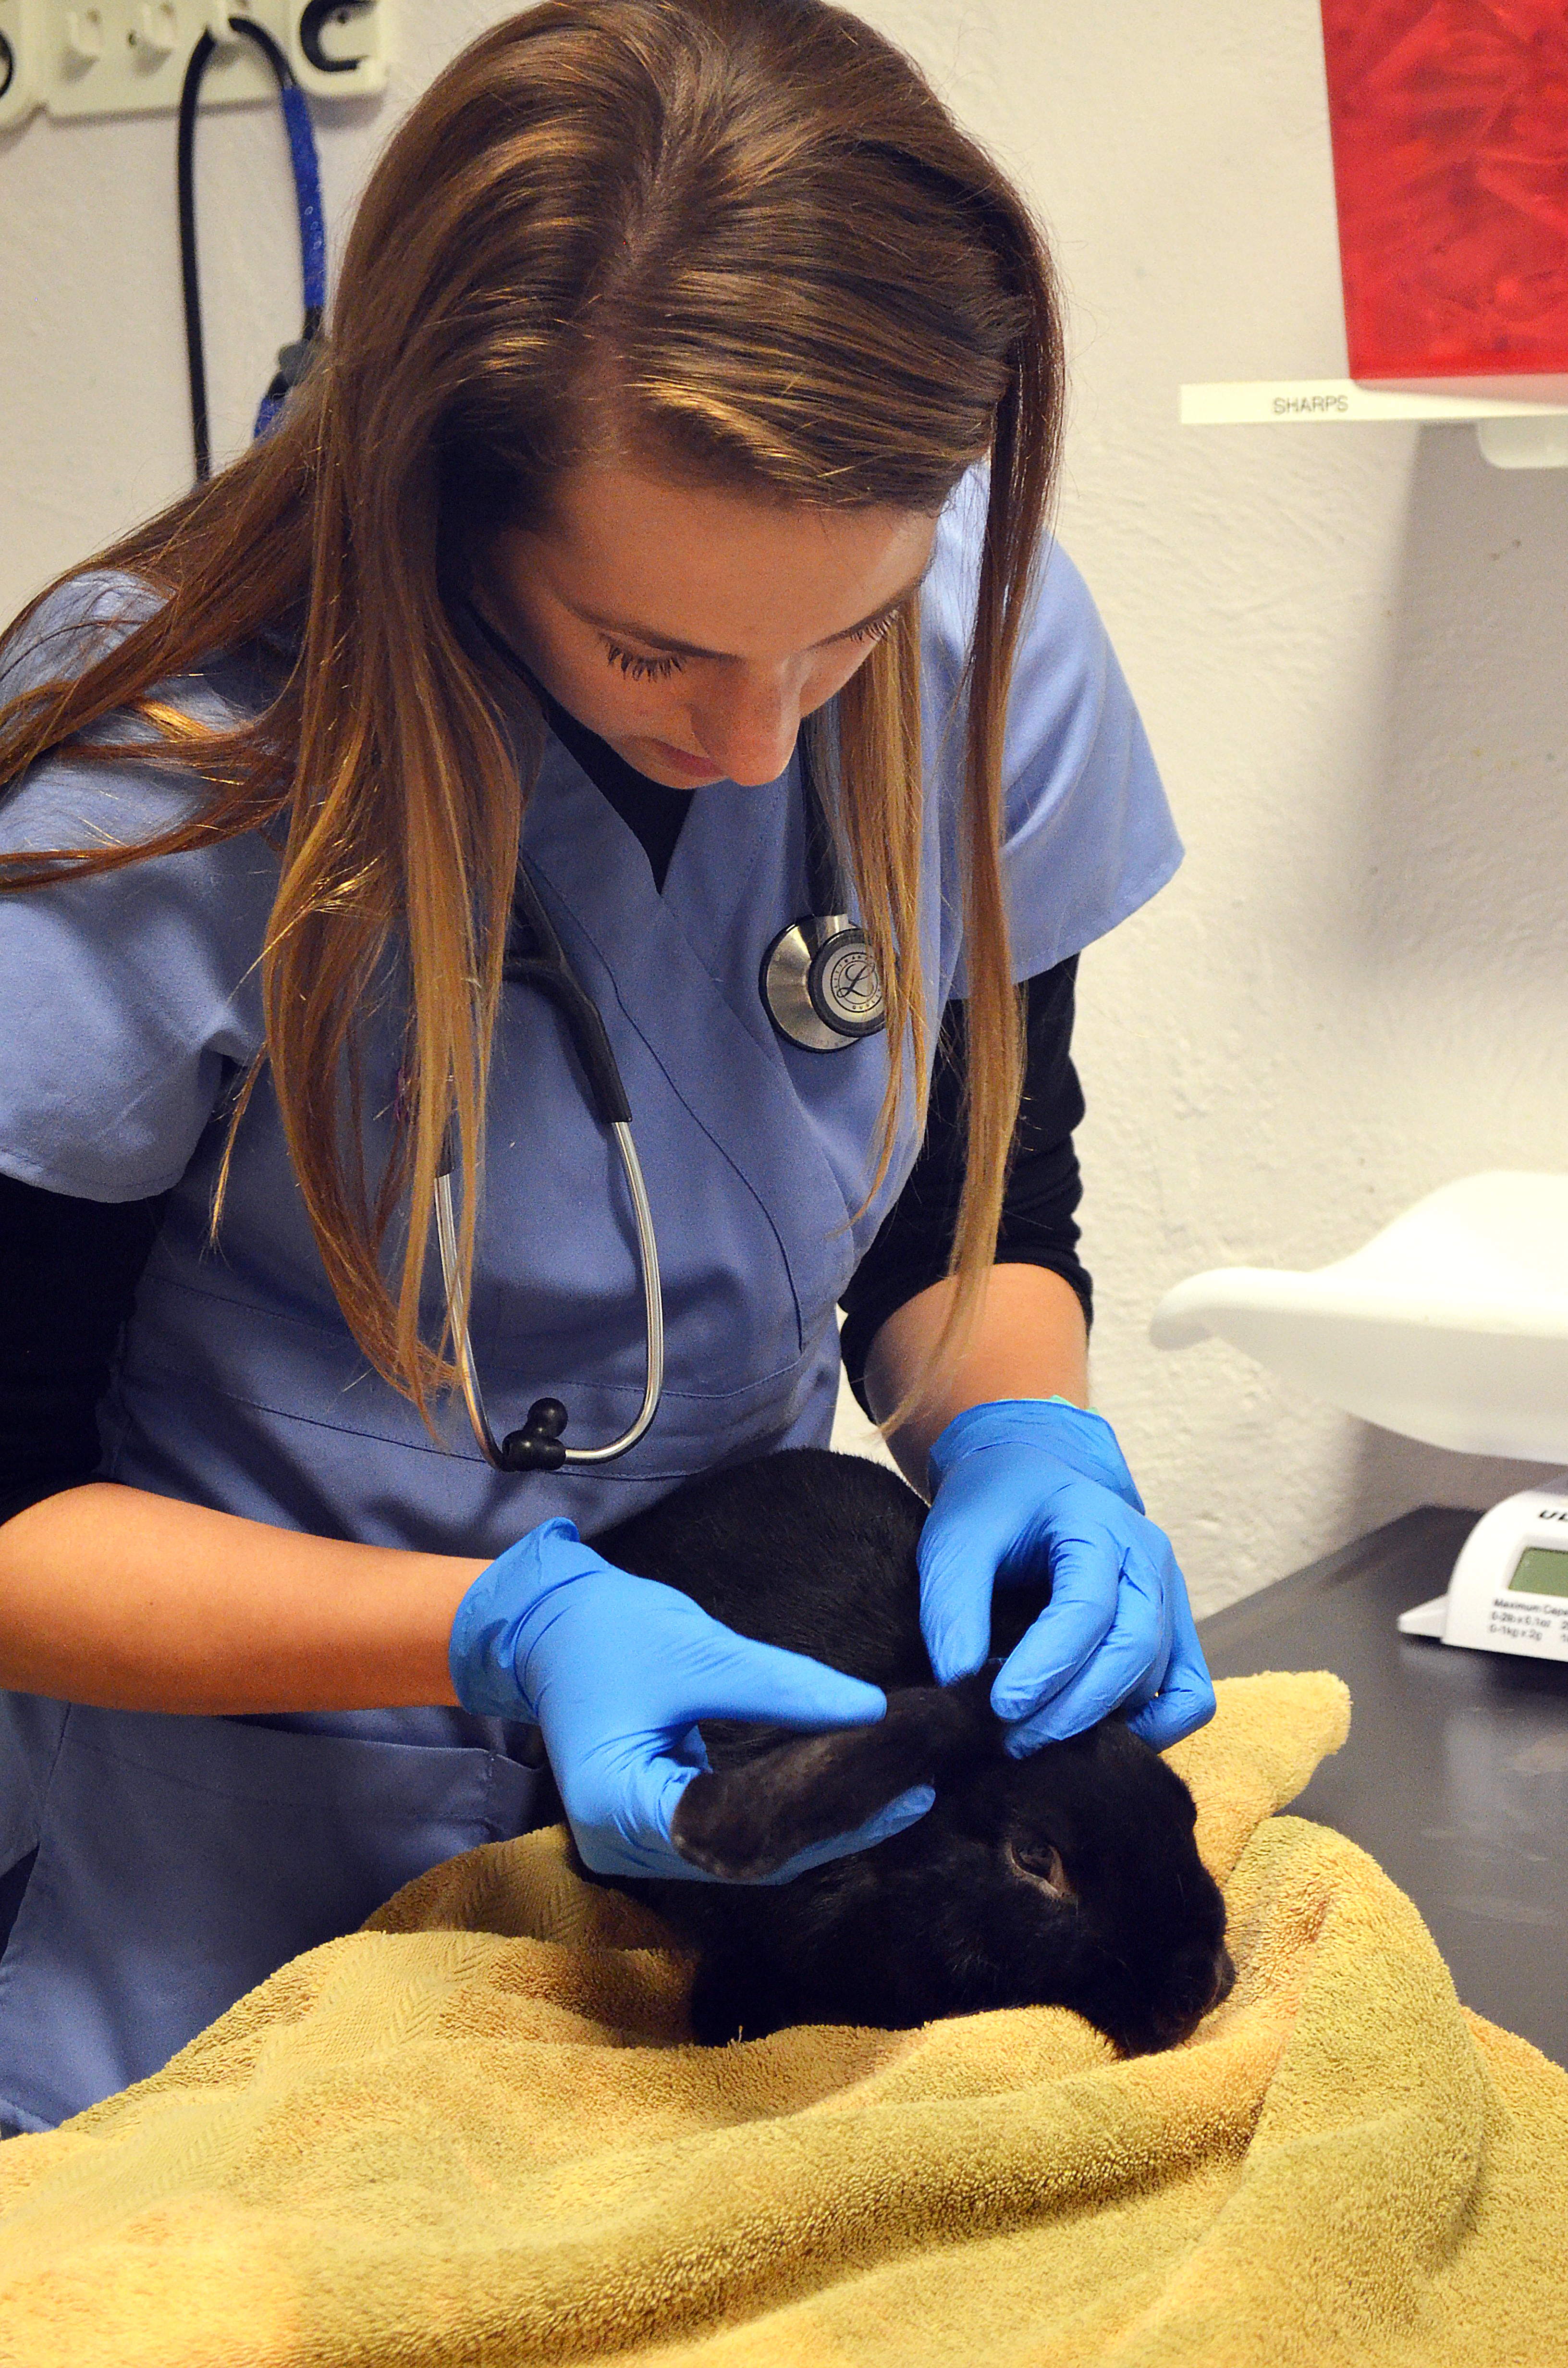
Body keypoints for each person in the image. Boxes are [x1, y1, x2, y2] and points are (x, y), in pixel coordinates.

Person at [0, 0, 1213, 2137]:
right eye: (654, 647)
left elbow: (976, 1227)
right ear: (437, 497)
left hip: (736, 1916)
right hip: (232, 1912)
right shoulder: (149, 772)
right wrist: (502, 1623)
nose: (766, 737)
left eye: (840, 630)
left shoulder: (975, 659)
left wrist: (1034, 1441)